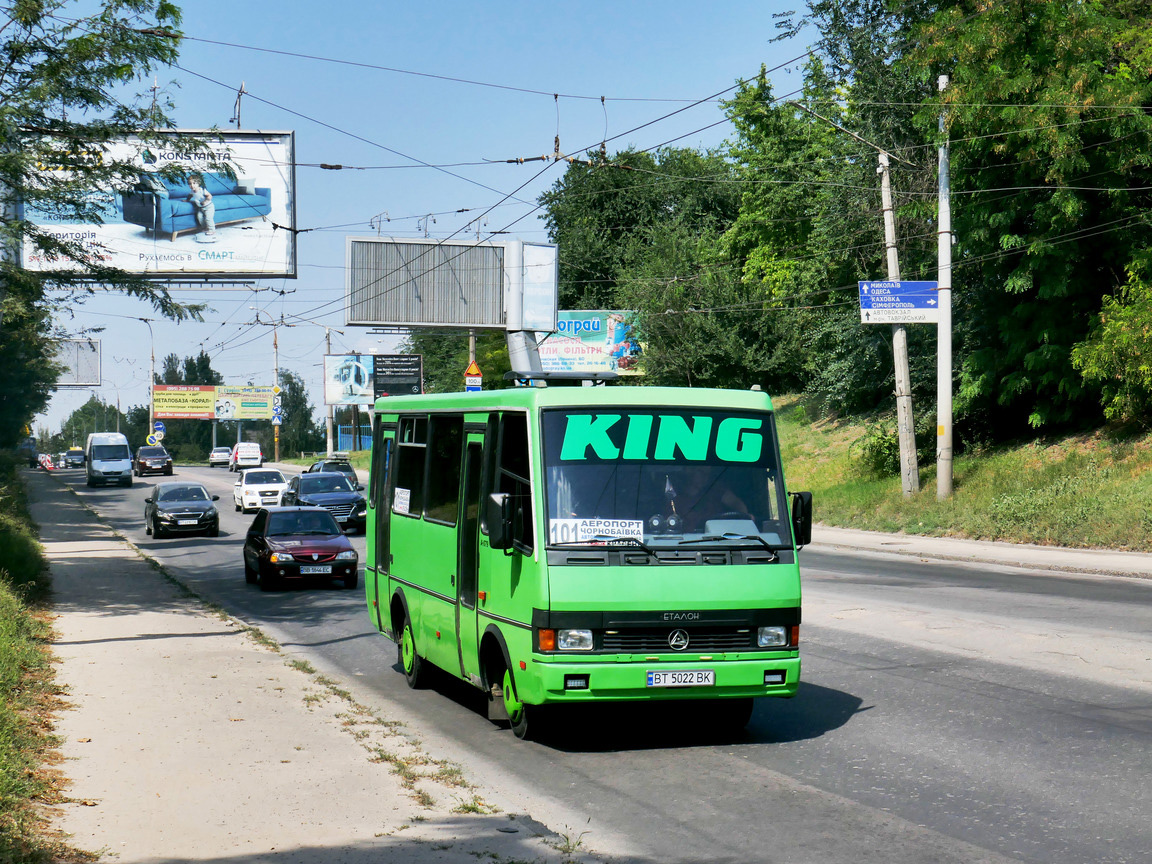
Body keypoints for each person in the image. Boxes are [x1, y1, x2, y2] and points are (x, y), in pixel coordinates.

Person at [188, 173, 216, 240]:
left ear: (198, 184)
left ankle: (212, 229)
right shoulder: (192, 191)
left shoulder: (202, 190)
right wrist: (187, 200)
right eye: (190, 184)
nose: (192, 185)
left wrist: (205, 201)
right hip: (201, 208)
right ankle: (205, 227)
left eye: (194, 183)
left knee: (208, 218)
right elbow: (190, 195)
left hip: (209, 207)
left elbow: (210, 196)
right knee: (199, 217)